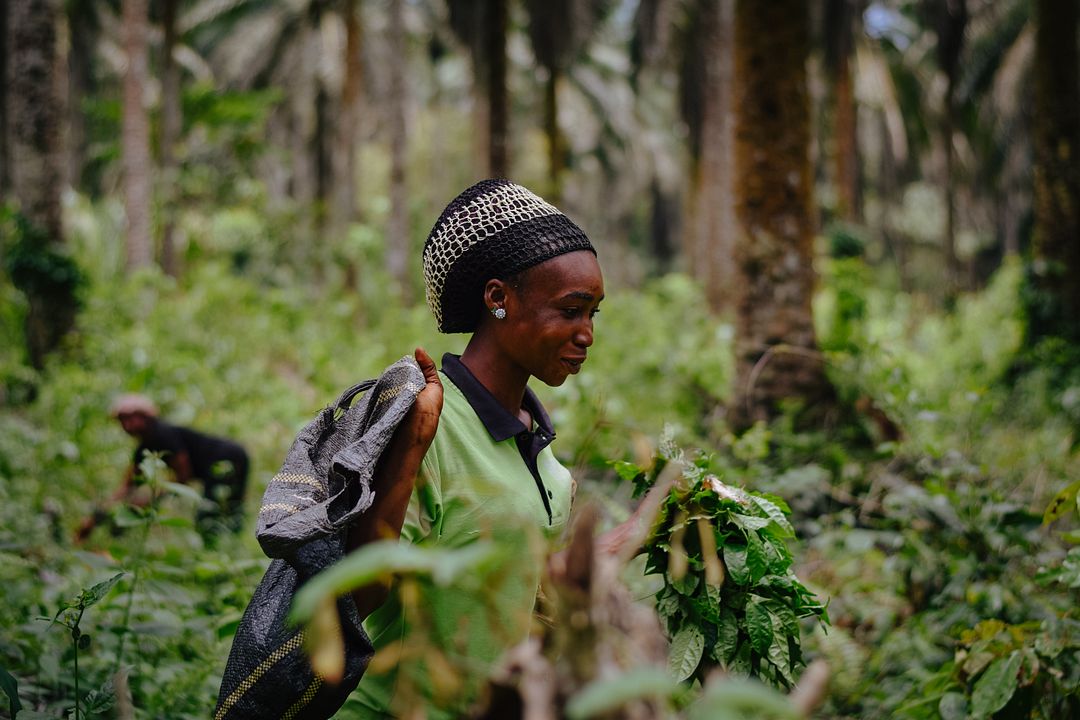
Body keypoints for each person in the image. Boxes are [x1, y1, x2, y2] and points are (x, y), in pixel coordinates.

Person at [342, 178, 636, 718]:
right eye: (571, 310)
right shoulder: (427, 423)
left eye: (593, 313)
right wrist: (409, 452)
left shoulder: (545, 458)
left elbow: (525, 587)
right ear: (498, 298)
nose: (587, 334)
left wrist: (635, 535)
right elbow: (355, 599)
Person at [75, 394, 250, 542]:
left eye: (131, 418)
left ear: (146, 416)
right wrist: (95, 519)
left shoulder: (164, 435)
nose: (127, 425)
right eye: (122, 420)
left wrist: (151, 499)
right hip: (229, 457)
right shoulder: (144, 448)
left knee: (214, 515)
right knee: (219, 514)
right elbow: (127, 486)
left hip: (227, 457)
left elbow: (184, 475)